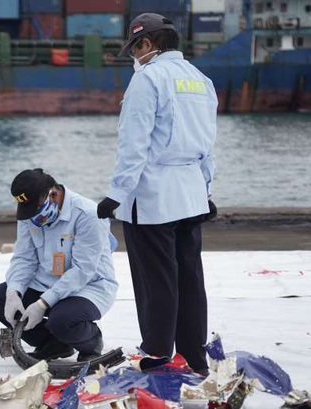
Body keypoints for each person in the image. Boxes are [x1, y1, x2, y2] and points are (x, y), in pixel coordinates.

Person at [97, 13, 218, 374]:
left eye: (135, 48)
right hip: (191, 194)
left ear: (147, 44)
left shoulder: (147, 80)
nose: (134, 56)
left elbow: (134, 146)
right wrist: (206, 190)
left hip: (151, 199)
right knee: (190, 279)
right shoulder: (201, 81)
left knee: (156, 282)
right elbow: (208, 146)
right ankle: (194, 357)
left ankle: (157, 354)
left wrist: (116, 195)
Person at [0, 168, 118, 362]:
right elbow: (24, 258)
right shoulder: (30, 213)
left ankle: (91, 339)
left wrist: (42, 303)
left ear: (53, 194)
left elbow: (83, 270)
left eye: (36, 209)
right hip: (44, 281)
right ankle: (54, 345)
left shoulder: (88, 214)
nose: (33, 217)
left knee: (62, 321)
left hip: (88, 286)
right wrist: (14, 292)